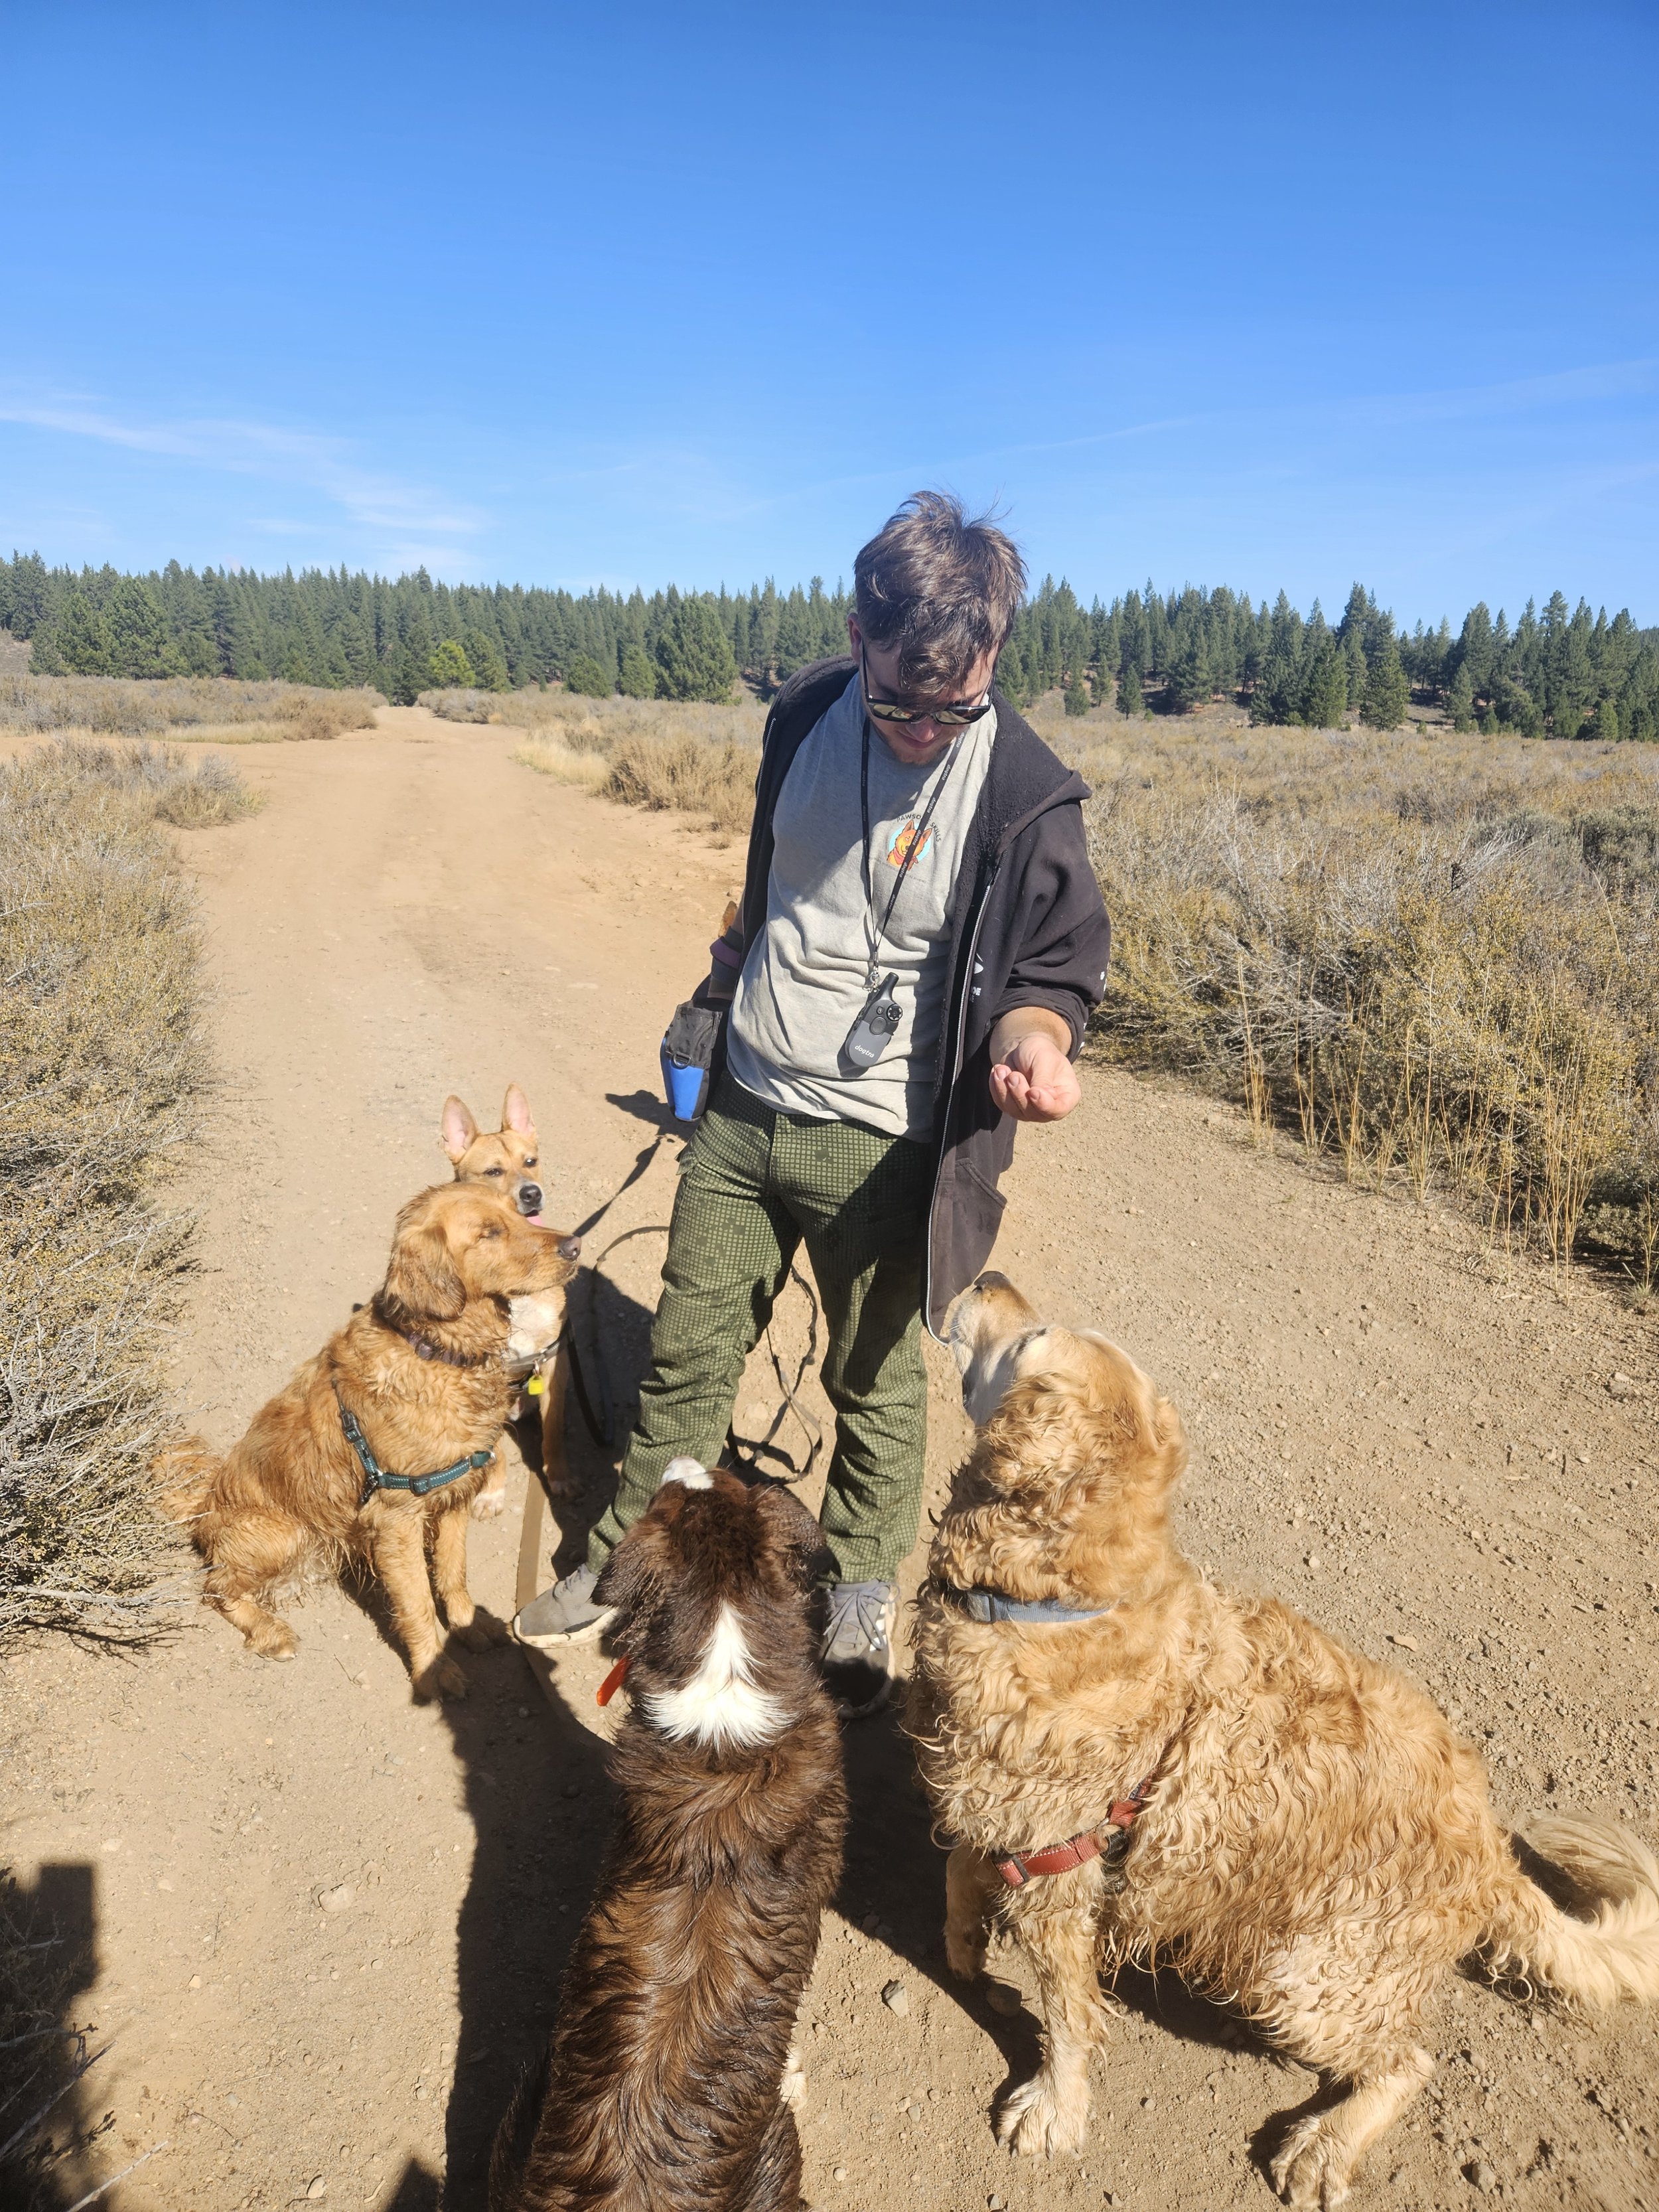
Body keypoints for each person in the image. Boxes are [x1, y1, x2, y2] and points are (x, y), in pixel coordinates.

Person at [514, 492, 1112, 1715]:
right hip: (747, 1105)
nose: (919, 728)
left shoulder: (1027, 792)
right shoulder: (798, 720)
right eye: (895, 697)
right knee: (687, 1344)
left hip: (892, 1146)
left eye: (951, 704)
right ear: (856, 631)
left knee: (874, 1380)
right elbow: (772, 890)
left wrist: (1035, 1043)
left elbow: (1048, 973)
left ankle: (856, 1592)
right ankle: (627, 1550)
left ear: (995, 656)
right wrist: (718, 986)